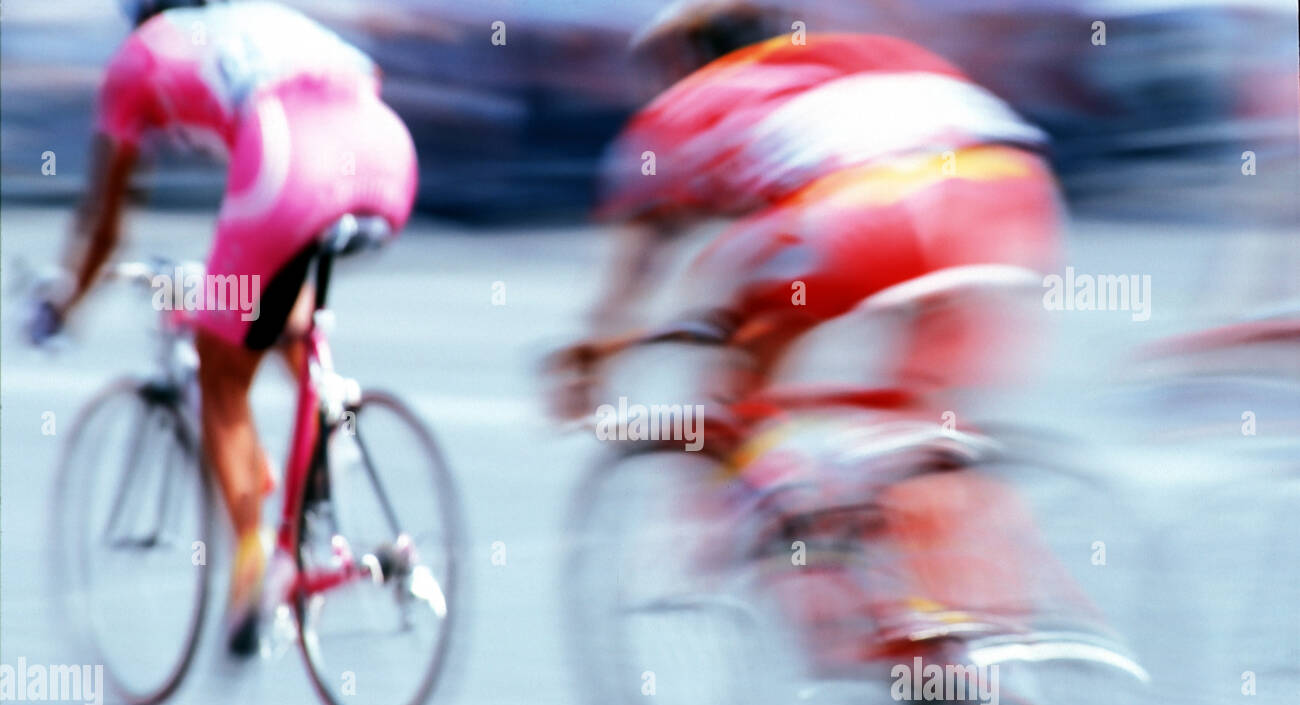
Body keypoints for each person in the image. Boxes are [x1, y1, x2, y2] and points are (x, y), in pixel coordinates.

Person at [548, 2, 1086, 657]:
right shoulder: (866, 53)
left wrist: (599, 350)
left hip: (869, 212)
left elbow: (643, 254)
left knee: (738, 357)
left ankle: (781, 516)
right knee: (920, 420)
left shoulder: (688, 103)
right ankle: (950, 609)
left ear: (680, 59)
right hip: (1011, 196)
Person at [27, 0, 419, 655]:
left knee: (218, 360)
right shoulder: (259, 18)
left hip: (293, 158)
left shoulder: (141, 54)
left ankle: (253, 559)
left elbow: (107, 221)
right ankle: (329, 418)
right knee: (276, 295)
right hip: (385, 150)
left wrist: (64, 302)